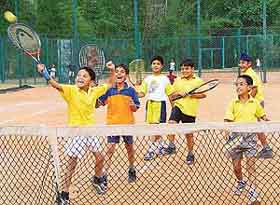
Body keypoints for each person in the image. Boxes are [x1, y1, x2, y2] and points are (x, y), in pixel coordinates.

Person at [36, 63, 115, 205]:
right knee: (72, 164)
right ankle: (64, 193)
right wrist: (44, 73)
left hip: (91, 131)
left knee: (100, 158)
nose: (80, 77)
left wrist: (112, 70)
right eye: (79, 75)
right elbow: (55, 85)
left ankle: (97, 179)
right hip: (76, 132)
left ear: (91, 81)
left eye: (84, 76)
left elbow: (110, 83)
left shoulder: (94, 91)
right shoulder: (71, 90)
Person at [224, 75, 269, 203]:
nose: (238, 87)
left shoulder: (254, 102)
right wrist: (226, 130)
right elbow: (227, 119)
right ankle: (240, 181)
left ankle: (253, 191)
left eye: (241, 84)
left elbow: (262, 115)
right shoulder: (233, 103)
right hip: (235, 138)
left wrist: (269, 122)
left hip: (250, 138)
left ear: (249, 88)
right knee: (236, 167)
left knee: (251, 166)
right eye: (237, 84)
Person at [97, 63, 140, 188]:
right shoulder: (109, 90)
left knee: (129, 148)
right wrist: (94, 96)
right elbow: (99, 103)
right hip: (112, 124)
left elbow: (135, 107)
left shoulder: (131, 91)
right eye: (117, 71)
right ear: (114, 74)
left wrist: (132, 105)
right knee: (110, 149)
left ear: (126, 75)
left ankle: (132, 168)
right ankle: (104, 174)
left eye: (122, 72)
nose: (119, 74)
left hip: (127, 125)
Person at [165, 58, 206, 165]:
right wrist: (179, 94)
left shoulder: (198, 81)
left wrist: (190, 94)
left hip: (190, 111)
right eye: (182, 69)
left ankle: (190, 153)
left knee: (189, 135)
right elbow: (172, 95)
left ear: (192, 69)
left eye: (187, 69)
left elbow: (203, 94)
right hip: (178, 107)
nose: (184, 71)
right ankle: (171, 145)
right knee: (171, 124)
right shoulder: (178, 80)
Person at [137, 55, 174, 161]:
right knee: (152, 128)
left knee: (156, 129)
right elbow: (142, 93)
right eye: (154, 63)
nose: (155, 65)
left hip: (160, 105)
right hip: (150, 105)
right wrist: (135, 93)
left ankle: (152, 150)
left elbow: (170, 94)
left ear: (162, 66)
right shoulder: (147, 79)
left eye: (158, 64)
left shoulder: (165, 79)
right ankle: (161, 146)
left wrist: (173, 107)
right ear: (151, 66)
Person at [239, 53, 272, 159]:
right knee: (254, 126)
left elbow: (254, 89)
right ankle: (263, 147)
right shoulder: (248, 73)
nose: (241, 64)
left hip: (255, 103)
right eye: (240, 62)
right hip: (256, 102)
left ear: (249, 64)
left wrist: (247, 102)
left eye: (243, 63)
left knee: (256, 127)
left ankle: (266, 149)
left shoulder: (250, 74)